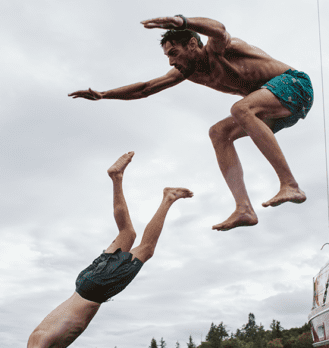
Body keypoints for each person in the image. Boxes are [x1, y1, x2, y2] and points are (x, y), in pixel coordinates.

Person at [69, 15, 314, 231]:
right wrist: (104, 94)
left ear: (193, 44)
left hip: (295, 85)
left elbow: (218, 29)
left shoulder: (219, 49)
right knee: (218, 133)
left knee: (241, 108)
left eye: (174, 53)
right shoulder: (188, 73)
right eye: (167, 56)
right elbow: (146, 88)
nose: (171, 62)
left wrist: (182, 21)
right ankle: (244, 209)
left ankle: (289, 184)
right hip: (282, 110)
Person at [1, 152, 193, 348]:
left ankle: (168, 198)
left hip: (96, 289)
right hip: (85, 281)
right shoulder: (38, 347)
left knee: (146, 249)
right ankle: (116, 178)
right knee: (127, 233)